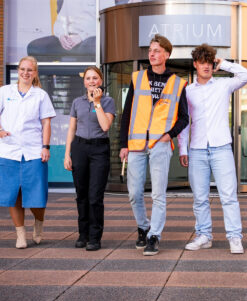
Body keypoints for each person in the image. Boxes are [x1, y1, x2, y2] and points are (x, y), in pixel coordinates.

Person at [178, 44, 247, 254]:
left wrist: (224, 64)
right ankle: (204, 236)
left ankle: (235, 237)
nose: (206, 66)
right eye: (202, 62)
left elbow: (246, 75)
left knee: (228, 196)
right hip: (197, 149)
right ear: (195, 64)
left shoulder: (223, 85)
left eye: (210, 62)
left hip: (221, 148)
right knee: (200, 198)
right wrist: (183, 149)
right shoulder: (188, 91)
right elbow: (184, 122)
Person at [119, 34, 188, 256]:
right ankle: (143, 227)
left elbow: (184, 118)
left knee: (158, 194)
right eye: (150, 50)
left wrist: (169, 135)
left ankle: (154, 236)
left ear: (166, 54)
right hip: (136, 144)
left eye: (157, 50)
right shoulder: (138, 78)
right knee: (134, 192)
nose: (152, 54)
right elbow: (127, 113)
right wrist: (123, 144)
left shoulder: (178, 83)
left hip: (160, 144)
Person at [0, 56, 56, 249]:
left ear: (35, 73)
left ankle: (38, 223)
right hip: (9, 151)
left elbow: (46, 123)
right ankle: (20, 234)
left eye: (29, 70)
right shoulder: (4, 92)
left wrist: (45, 147)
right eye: (22, 69)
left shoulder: (40, 95)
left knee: (37, 197)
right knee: (13, 195)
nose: (25, 73)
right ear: (18, 70)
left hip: (33, 151)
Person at [64, 66, 115, 251]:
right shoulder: (77, 102)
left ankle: (94, 237)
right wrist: (67, 154)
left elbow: (105, 126)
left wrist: (97, 102)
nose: (92, 81)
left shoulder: (108, 101)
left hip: (99, 148)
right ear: (84, 81)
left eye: (95, 78)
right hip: (79, 148)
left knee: (95, 196)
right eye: (88, 78)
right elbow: (72, 128)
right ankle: (83, 234)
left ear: (100, 81)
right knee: (82, 194)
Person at [27, 0, 96, 62]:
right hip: (69, 38)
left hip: (88, 38)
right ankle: (48, 73)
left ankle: (82, 73)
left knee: (88, 48)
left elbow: (104, 24)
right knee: (35, 47)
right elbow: (60, 21)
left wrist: (81, 37)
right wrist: (62, 36)